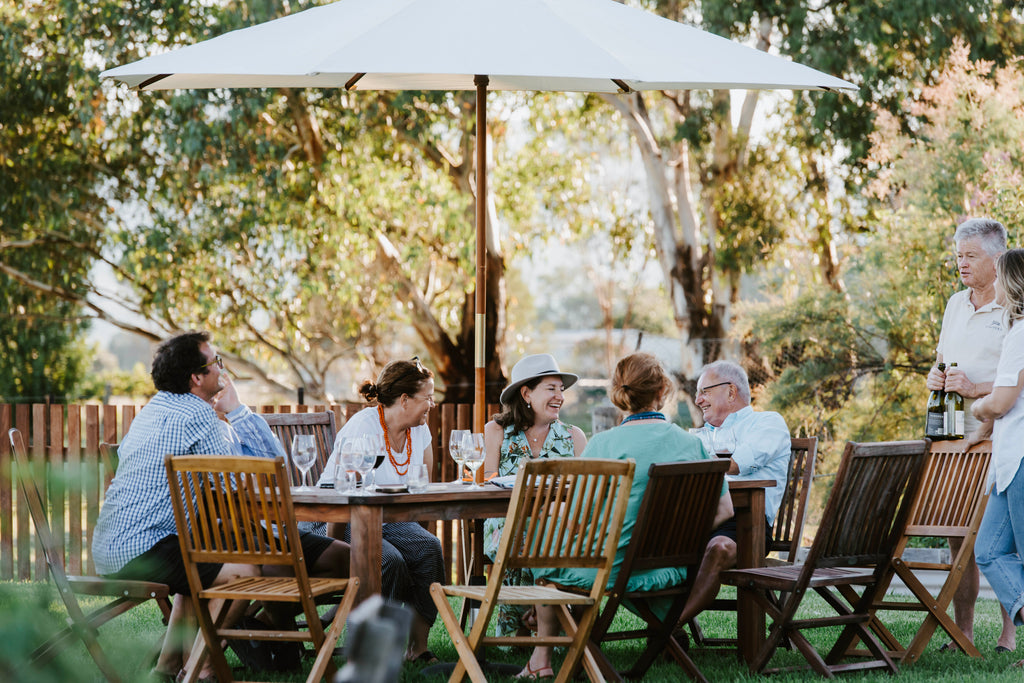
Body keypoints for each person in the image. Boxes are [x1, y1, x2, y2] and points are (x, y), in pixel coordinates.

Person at [91, 331, 351, 682]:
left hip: (112, 547)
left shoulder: (153, 409)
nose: (222, 369)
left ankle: (166, 669)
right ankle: (202, 671)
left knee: (211, 560)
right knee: (243, 572)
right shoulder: (198, 415)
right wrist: (236, 417)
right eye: (217, 363)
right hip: (144, 548)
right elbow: (247, 481)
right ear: (197, 377)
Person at [518, 353, 733, 679]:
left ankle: (542, 658)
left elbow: (576, 520)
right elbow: (725, 510)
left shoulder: (603, 444)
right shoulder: (693, 445)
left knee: (544, 550)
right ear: (662, 390)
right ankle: (575, 642)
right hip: (668, 570)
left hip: (614, 570)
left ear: (620, 392)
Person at [926, 217, 1015, 653]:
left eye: (970, 256)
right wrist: (936, 377)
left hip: (996, 436)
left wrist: (973, 389)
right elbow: (943, 359)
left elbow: (1014, 379)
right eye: (958, 255)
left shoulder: (1014, 308)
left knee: (999, 536)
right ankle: (962, 630)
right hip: (951, 434)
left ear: (997, 257)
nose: (961, 263)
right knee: (954, 534)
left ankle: (1009, 632)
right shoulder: (955, 304)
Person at [319, 357, 445, 663]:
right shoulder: (363, 428)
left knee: (429, 549)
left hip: (388, 518)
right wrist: (340, 550)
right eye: (427, 397)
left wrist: (417, 534)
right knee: (387, 560)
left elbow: (421, 487)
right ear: (404, 400)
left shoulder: (419, 430)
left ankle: (417, 648)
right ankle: (368, 649)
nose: (432, 404)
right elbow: (341, 496)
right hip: (338, 516)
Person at [675, 360, 791, 630]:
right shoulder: (701, 436)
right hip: (699, 519)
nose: (697, 399)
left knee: (720, 548)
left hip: (748, 524)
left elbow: (738, 464)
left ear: (730, 391)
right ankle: (664, 628)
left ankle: (667, 630)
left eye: (704, 391)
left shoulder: (766, 423)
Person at [482, 353, 587, 638]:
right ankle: (545, 621)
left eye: (561, 390)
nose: (560, 397)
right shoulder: (497, 431)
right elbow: (490, 484)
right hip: (507, 521)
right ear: (526, 393)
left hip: (560, 526)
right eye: (551, 389)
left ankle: (543, 620)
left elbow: (583, 495)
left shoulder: (574, 436)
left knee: (554, 535)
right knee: (534, 535)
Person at [972, 247, 1024, 667]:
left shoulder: (1021, 332)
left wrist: (979, 409)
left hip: (1021, 458)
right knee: (988, 548)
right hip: (1009, 460)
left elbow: (1004, 400)